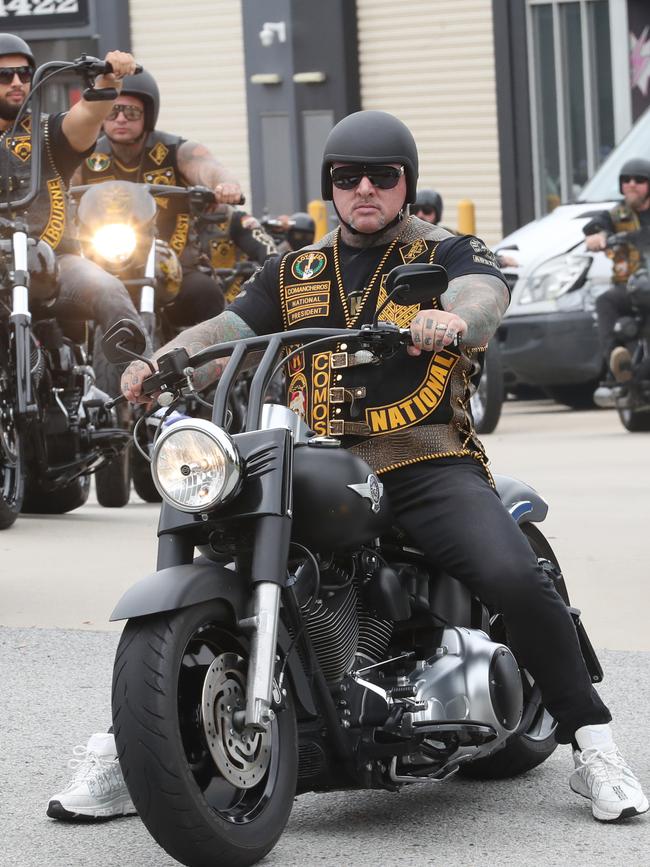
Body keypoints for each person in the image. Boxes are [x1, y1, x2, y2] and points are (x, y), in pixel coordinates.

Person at [49, 111, 647, 825]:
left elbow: (484, 298)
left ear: (406, 184)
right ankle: (134, 746)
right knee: (211, 531)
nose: (364, 188)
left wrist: (452, 320)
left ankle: (594, 745)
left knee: (514, 574)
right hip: (311, 452)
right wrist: (165, 359)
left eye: (382, 176)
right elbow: (232, 327)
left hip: (422, 457)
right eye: (347, 176)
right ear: (330, 186)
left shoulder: (449, 251)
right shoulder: (295, 269)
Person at [0, 34, 149, 345]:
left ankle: (145, 380)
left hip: (55, 262)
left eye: (24, 74)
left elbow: (90, 114)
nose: (16, 82)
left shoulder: (48, 131)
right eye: (4, 75)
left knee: (107, 287)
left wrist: (109, 81)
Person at [72, 68, 243, 327]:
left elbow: (207, 166)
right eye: (112, 111)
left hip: (174, 263)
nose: (120, 119)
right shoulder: (86, 155)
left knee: (204, 294)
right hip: (105, 263)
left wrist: (224, 184)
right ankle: (67, 364)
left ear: (148, 115)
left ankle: (217, 365)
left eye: (131, 112)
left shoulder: (175, 150)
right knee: (63, 302)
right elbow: (61, 181)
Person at [583, 158, 650, 406]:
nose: (632, 185)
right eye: (626, 180)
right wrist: (597, 237)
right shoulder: (616, 215)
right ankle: (616, 362)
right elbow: (594, 227)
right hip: (630, 286)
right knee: (605, 301)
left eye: (640, 180)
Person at [199, 204, 278, 303]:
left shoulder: (233, 217)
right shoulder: (176, 217)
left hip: (233, 297)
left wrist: (275, 269)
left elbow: (266, 246)